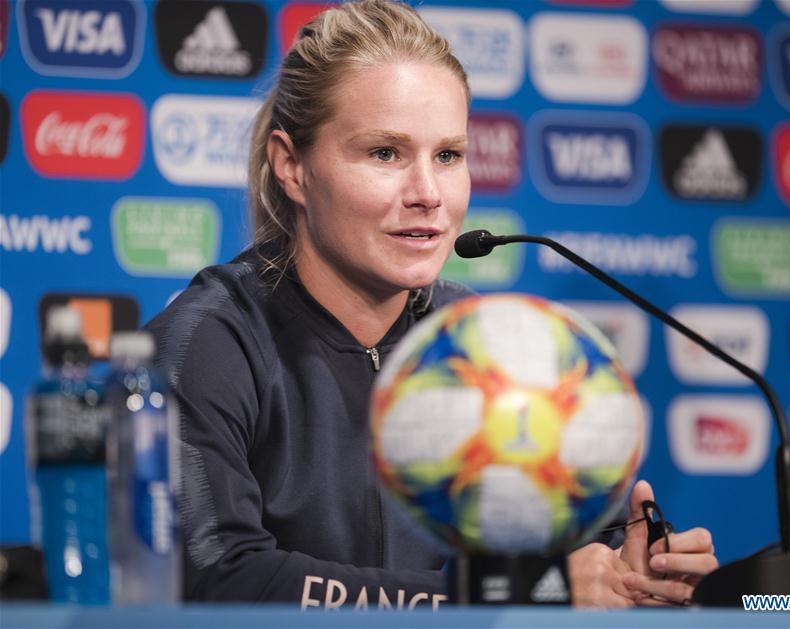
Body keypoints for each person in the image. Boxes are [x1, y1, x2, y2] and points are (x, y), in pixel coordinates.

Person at [147, 0, 717, 608]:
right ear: (292, 166)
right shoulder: (207, 343)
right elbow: (218, 578)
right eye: (385, 153)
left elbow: (583, 554)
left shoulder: (486, 342)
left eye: (448, 155)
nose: (427, 194)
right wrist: (520, 594)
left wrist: (632, 570)